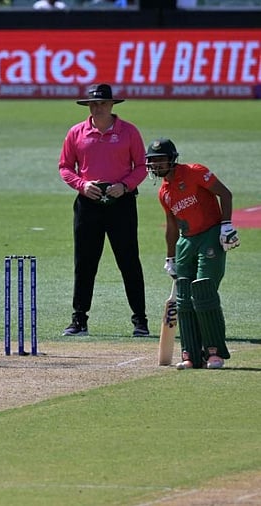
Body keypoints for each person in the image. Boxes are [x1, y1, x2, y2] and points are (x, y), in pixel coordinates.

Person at [58, 83, 149, 337]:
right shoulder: (77, 132)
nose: (98, 107)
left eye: (102, 103)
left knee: (128, 260)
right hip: (89, 202)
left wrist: (125, 185)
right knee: (85, 263)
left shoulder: (128, 131)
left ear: (112, 105)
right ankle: (79, 320)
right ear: (88, 106)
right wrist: (82, 185)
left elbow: (141, 166)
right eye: (93, 103)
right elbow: (65, 167)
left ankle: (140, 320)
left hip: (121, 202)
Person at [146, 138, 239, 369]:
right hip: (185, 243)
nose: (156, 166)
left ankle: (214, 352)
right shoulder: (163, 192)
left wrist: (226, 225)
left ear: (172, 159)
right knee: (184, 298)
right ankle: (190, 355)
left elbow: (225, 194)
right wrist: (170, 257)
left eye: (160, 160)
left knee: (203, 292)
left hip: (209, 235)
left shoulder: (195, 172)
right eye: (152, 162)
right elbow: (171, 226)